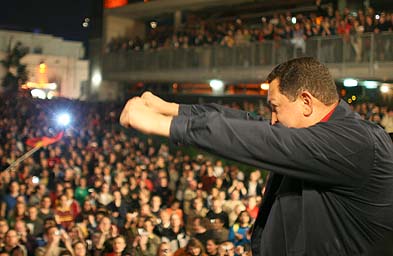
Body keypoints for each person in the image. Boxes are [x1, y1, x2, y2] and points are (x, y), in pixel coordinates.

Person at [120, 57, 393, 255]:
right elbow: (252, 123)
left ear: (306, 102)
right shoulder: (326, 129)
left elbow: (263, 138)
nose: (272, 120)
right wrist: (174, 110)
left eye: (275, 107)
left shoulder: (354, 143)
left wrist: (166, 126)